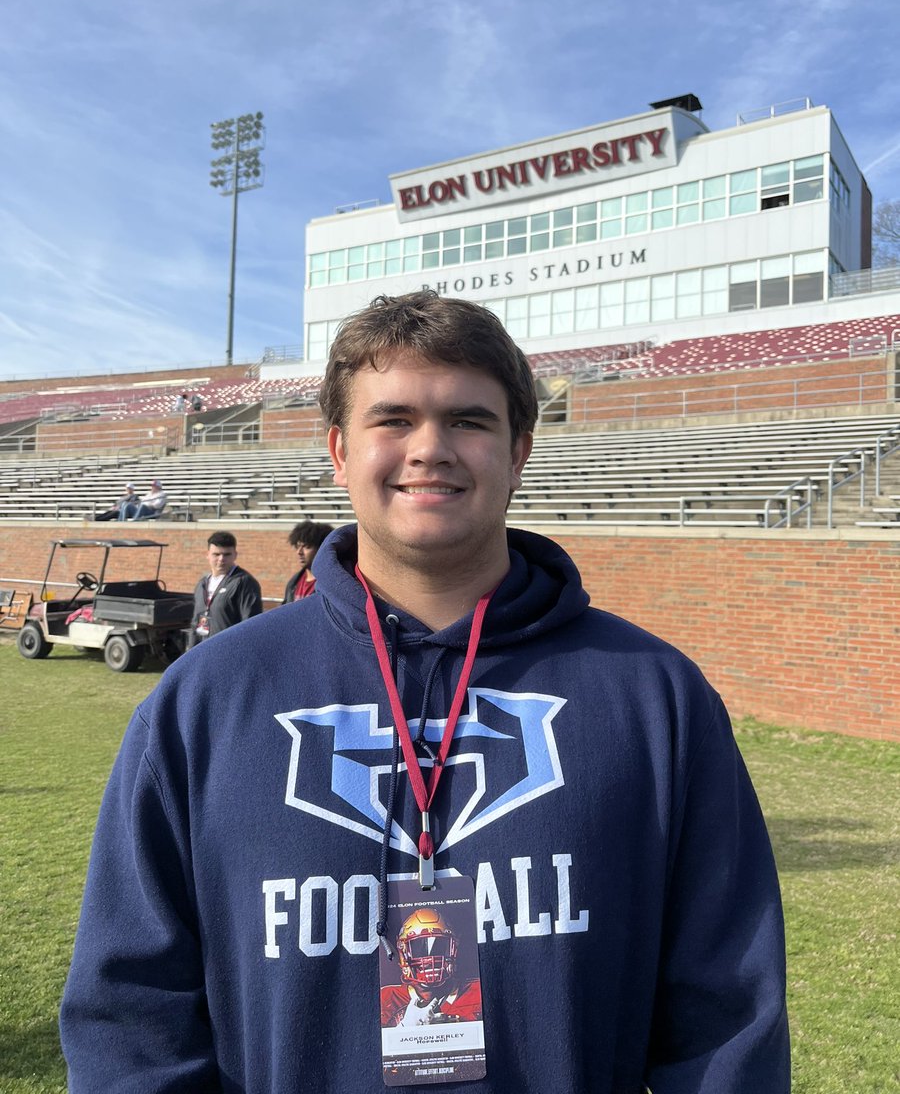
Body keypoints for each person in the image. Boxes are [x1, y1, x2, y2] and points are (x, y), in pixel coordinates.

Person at [61, 291, 790, 1093]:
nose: (430, 449)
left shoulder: (657, 698)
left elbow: (727, 1019)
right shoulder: (206, 699)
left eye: (470, 421)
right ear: (339, 451)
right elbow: (131, 1013)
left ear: (519, 451)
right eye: (394, 419)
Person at [190, 529, 263, 642]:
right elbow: (196, 622)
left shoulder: (244, 582)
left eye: (227, 554)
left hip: (228, 651)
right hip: (203, 652)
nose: (221, 559)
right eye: (216, 554)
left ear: (235, 555)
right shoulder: (202, 584)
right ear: (207, 555)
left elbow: (250, 624)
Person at [282, 519, 334, 603]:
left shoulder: (330, 585)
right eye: (297, 546)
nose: (299, 552)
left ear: (320, 548)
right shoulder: (293, 583)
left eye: (306, 546)